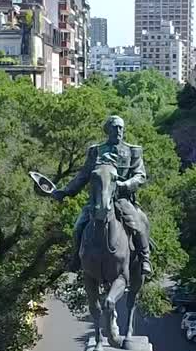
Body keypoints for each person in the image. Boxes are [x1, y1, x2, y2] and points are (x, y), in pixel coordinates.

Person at [50, 116, 153, 276]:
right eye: (114, 127)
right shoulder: (96, 150)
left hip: (122, 199)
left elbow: (140, 175)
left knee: (138, 224)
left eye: (120, 127)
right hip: (98, 199)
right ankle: (76, 258)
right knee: (78, 226)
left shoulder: (133, 151)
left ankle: (145, 259)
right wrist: (65, 191)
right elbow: (83, 175)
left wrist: (125, 184)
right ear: (108, 130)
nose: (118, 131)